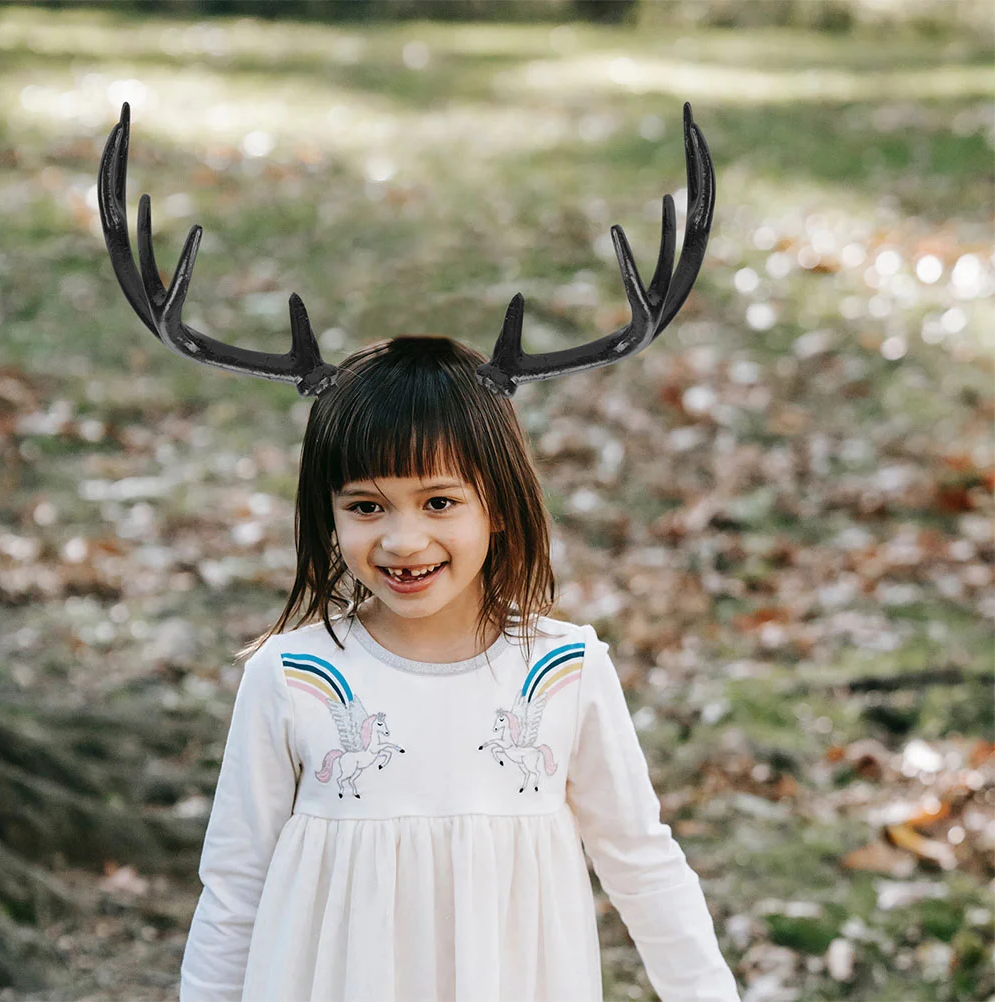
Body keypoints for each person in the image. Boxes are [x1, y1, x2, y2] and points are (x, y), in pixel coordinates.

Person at [178, 336, 740, 1002]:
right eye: (365, 506)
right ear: (328, 512)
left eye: (439, 502)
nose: (403, 540)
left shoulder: (564, 670)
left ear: (499, 504)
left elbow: (643, 864)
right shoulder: (293, 675)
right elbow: (235, 886)